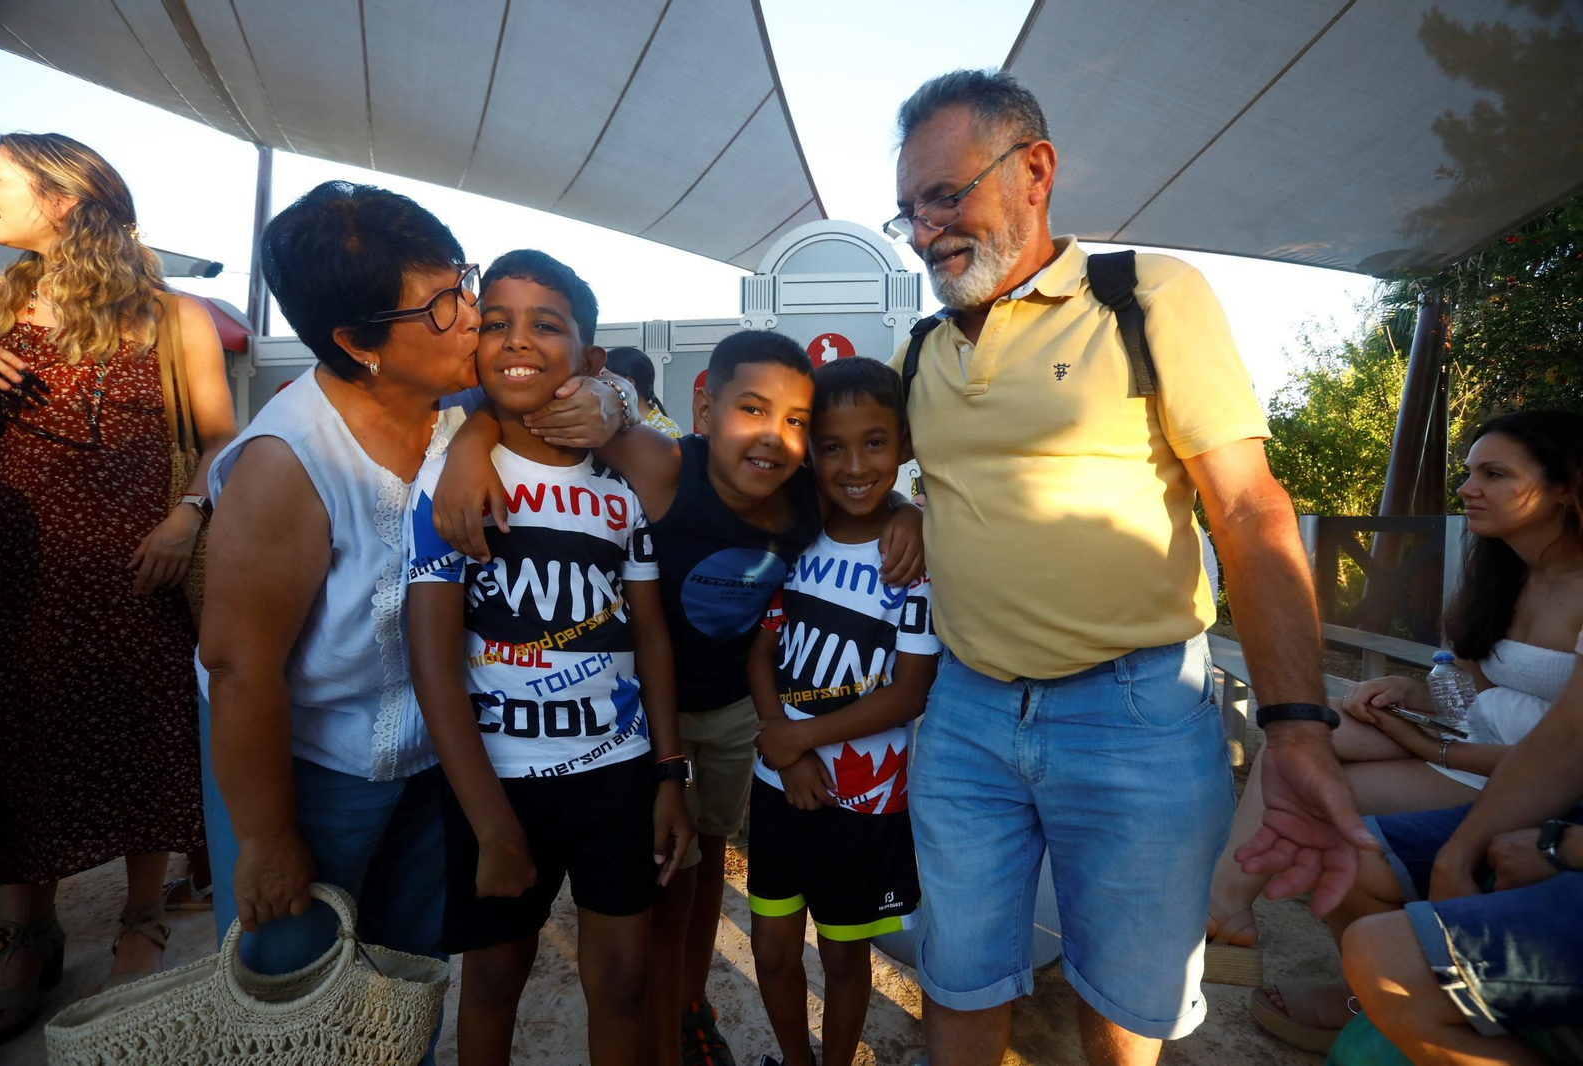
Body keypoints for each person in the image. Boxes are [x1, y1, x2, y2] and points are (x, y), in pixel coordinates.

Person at [882, 70, 1368, 1066]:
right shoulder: (922, 350)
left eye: (944, 195)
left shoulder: (1143, 297)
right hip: (966, 713)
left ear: (1034, 170)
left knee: (1125, 1001)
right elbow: (833, 474)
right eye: (909, 211)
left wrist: (1297, 731)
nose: (927, 230)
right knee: (958, 974)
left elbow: (1247, 507)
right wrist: (900, 511)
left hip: (1136, 715)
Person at [431, 330, 923, 1066]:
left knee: (701, 874)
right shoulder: (661, 466)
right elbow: (534, 404)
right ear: (703, 407)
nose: (774, 438)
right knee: (664, 888)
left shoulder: (803, 498)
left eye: (794, 423)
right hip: (644, 717)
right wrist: (471, 438)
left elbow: (869, 491)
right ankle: (666, 1036)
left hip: (734, 711)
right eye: (751, 410)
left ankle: (691, 1010)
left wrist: (912, 515)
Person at [196, 181, 482, 1063]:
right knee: (302, 1003)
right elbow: (240, 668)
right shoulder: (291, 461)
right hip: (307, 772)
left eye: (464, 282)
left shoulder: (455, 416)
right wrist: (268, 837)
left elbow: (580, 377)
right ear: (359, 343)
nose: (471, 315)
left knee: (401, 988)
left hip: (428, 765)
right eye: (440, 305)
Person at [405, 249, 693, 1066]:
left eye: (545, 324)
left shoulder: (619, 484)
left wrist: (670, 774)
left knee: (626, 981)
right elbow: (432, 665)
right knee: (494, 980)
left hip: (617, 769)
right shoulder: (453, 472)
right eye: (495, 323)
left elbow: (650, 637)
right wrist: (491, 825)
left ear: (589, 358)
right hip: (496, 778)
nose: (516, 340)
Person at [0, 132, 235, 1040]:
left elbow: (221, 440)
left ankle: (142, 917)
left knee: (144, 733)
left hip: (140, 567)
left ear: (62, 199)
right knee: (19, 735)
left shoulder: (176, 317)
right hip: (21, 564)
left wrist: (189, 515)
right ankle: (28, 926)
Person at [1227, 409, 1583, 1049]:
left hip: (1519, 777)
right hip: (1467, 743)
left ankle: (1331, 972)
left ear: (1566, 487)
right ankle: (1231, 903)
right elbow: (1473, 683)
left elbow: (1563, 750)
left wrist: (1436, 745)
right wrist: (1408, 692)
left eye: (1494, 474)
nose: (1468, 489)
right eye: (1469, 473)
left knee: (1333, 807)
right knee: (1312, 735)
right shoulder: (1509, 573)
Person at [746, 357, 940, 1066]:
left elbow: (909, 692)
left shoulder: (914, 561)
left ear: (906, 443)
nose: (854, 464)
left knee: (844, 955)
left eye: (875, 442)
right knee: (771, 948)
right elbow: (762, 652)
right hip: (777, 790)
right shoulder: (796, 544)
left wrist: (797, 740)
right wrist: (785, 753)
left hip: (864, 802)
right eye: (832, 447)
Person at [1281, 628, 1583, 1064]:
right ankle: (1360, 1004)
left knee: (1383, 956)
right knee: (1340, 831)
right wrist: (1454, 859)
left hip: (1527, 797)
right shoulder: (1498, 578)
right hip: (1529, 785)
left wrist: (1561, 848)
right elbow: (1562, 739)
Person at [606, 345, 682, 437]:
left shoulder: (665, 430)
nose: (600, 385)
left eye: (605, 377)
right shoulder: (607, 424)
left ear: (629, 383)